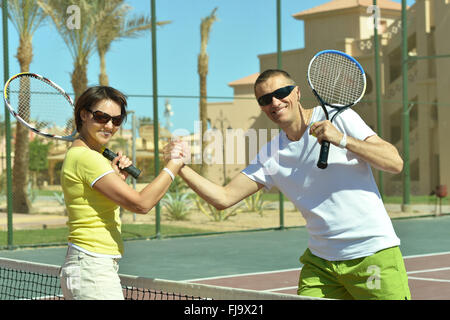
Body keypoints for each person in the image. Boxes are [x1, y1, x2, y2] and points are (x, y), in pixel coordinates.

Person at [164, 69, 411, 300]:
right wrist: (180, 167)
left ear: (297, 92)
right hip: (321, 265)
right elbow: (224, 197)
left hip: (372, 255)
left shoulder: (339, 117)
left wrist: (342, 139)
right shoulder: (271, 155)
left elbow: (394, 162)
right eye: (264, 100)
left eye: (281, 93)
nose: (274, 102)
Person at [59, 86, 187, 300]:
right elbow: (141, 204)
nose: (109, 126)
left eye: (116, 121)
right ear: (83, 114)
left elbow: (97, 206)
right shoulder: (87, 158)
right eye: (101, 117)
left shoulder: (86, 157)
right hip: (92, 268)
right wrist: (174, 165)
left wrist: (116, 179)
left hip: (90, 265)